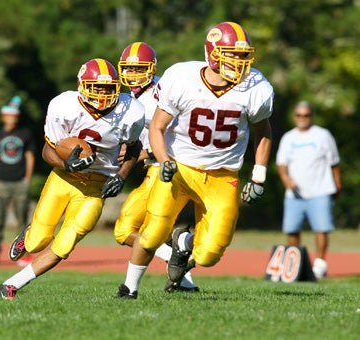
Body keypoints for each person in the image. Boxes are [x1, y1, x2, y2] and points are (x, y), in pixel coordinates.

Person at [116, 21, 274, 299]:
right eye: (232, 54)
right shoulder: (182, 78)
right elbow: (157, 128)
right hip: (180, 167)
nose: (240, 61)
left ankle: (184, 241)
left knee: (210, 253)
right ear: (213, 54)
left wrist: (259, 174)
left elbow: (263, 132)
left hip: (222, 175)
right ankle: (130, 288)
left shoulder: (255, 88)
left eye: (242, 55)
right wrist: (164, 160)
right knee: (151, 233)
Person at [0, 58, 145, 299]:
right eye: (97, 87)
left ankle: (11, 285)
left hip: (96, 186)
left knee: (65, 243)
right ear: (82, 85)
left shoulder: (130, 112)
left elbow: (134, 148)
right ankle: (29, 235)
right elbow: (47, 149)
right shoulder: (64, 106)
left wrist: (121, 175)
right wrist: (66, 163)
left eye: (108, 88)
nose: (103, 94)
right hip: (64, 178)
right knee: (37, 242)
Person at [115, 41, 198, 292]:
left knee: (125, 230)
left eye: (139, 69)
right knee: (137, 231)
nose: (133, 75)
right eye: (128, 69)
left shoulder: (161, 92)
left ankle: (174, 261)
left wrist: (143, 153)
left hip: (164, 167)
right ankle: (184, 280)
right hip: (156, 169)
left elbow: (178, 133)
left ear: (151, 68)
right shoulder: (131, 96)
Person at [276, 100, 341, 279]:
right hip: (294, 194)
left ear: (311, 116)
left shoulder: (322, 135)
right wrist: (286, 179)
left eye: (306, 115)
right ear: (294, 116)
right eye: (299, 115)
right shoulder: (288, 137)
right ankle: (296, 264)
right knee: (292, 229)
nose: (302, 118)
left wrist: (337, 184)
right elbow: (281, 164)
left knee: (321, 228)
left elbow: (334, 163)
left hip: (320, 190)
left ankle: (320, 264)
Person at [0, 96, 36, 266]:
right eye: (8, 116)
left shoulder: (25, 134)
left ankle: (24, 254)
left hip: (20, 182)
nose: (11, 119)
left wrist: (27, 177)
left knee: (22, 219)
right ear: (3, 117)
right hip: (1, 182)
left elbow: (30, 156)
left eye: (14, 117)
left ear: (17, 118)